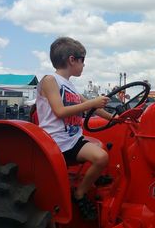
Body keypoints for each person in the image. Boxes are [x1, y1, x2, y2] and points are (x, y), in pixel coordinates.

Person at [36, 36, 115, 221]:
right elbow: (60, 111)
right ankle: (79, 194)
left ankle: (85, 187)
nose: (84, 65)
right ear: (72, 59)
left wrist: (117, 118)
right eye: (83, 60)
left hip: (72, 139)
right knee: (101, 157)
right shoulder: (50, 80)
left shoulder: (70, 86)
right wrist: (93, 102)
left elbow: (92, 107)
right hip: (55, 143)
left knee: (102, 154)